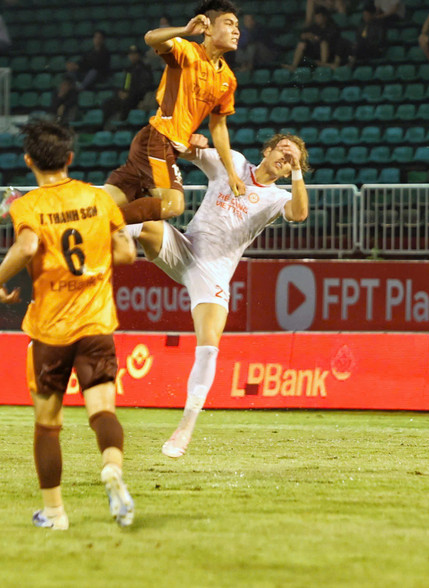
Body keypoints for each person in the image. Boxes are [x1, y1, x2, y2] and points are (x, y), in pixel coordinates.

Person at [0, 119, 137, 530]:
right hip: (96, 322)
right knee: (102, 409)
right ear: (70, 158)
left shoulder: (27, 205)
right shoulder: (98, 198)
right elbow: (127, 254)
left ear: (29, 161)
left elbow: (29, 245)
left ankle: (54, 514)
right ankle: (111, 468)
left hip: (50, 329)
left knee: (48, 424)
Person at [130, 132, 309, 457]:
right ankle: (86, 235)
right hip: (185, 247)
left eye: (292, 159)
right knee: (143, 222)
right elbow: (182, 151)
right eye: (283, 150)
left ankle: (184, 429)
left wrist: (298, 171)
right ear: (267, 151)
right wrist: (193, 142)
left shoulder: (276, 197)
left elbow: (298, 214)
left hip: (212, 274)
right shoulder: (234, 163)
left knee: (209, 347)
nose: (286, 157)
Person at [103, 0, 245, 226]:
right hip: (159, 139)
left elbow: (218, 126)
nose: (236, 31)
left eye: (237, 26)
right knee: (172, 205)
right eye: (229, 23)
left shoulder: (228, 79)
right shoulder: (186, 52)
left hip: (156, 142)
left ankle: (68, 218)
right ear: (208, 28)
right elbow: (150, 38)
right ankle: (101, 225)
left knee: (107, 200)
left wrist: (231, 173)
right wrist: (186, 30)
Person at [102, 44, 155, 128]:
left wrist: (129, 94)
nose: (132, 56)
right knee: (107, 103)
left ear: (139, 55)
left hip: (137, 97)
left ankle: (122, 124)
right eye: (131, 54)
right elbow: (126, 85)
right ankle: (103, 126)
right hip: (127, 95)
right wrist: (121, 92)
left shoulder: (144, 69)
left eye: (134, 54)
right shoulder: (129, 69)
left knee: (126, 103)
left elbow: (145, 87)